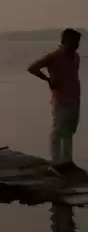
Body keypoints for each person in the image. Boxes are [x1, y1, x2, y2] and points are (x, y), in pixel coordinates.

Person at [28, 29, 82, 176]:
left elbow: (73, 75)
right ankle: (57, 163)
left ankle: (67, 161)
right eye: (72, 42)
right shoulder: (54, 57)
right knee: (59, 131)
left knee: (69, 130)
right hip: (61, 99)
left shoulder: (75, 57)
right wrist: (48, 80)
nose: (75, 45)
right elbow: (32, 68)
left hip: (74, 99)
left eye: (77, 42)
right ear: (64, 41)